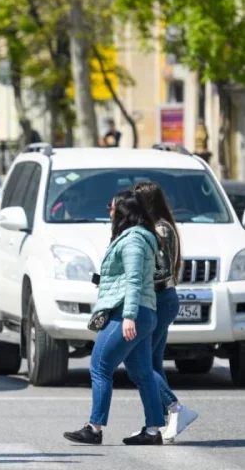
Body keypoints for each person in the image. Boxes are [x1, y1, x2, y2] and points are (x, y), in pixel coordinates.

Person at [64, 189, 164, 446]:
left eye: (111, 206)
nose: (108, 211)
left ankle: (94, 428)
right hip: (142, 312)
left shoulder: (132, 241)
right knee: (142, 373)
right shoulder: (138, 238)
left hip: (129, 313)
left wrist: (128, 316)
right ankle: (153, 431)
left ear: (123, 211)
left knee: (100, 366)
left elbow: (133, 280)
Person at [133, 181, 199, 441]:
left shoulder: (161, 228)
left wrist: (137, 275)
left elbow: (165, 270)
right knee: (154, 362)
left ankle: (176, 409)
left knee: (142, 363)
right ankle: (157, 424)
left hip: (161, 300)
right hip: (160, 299)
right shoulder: (154, 226)